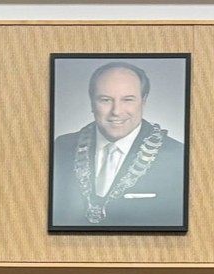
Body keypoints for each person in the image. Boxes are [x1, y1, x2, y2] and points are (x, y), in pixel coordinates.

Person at [51, 61, 186, 227]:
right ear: (92, 102)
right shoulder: (62, 148)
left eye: (128, 100)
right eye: (105, 100)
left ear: (143, 101)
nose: (116, 111)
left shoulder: (177, 157)